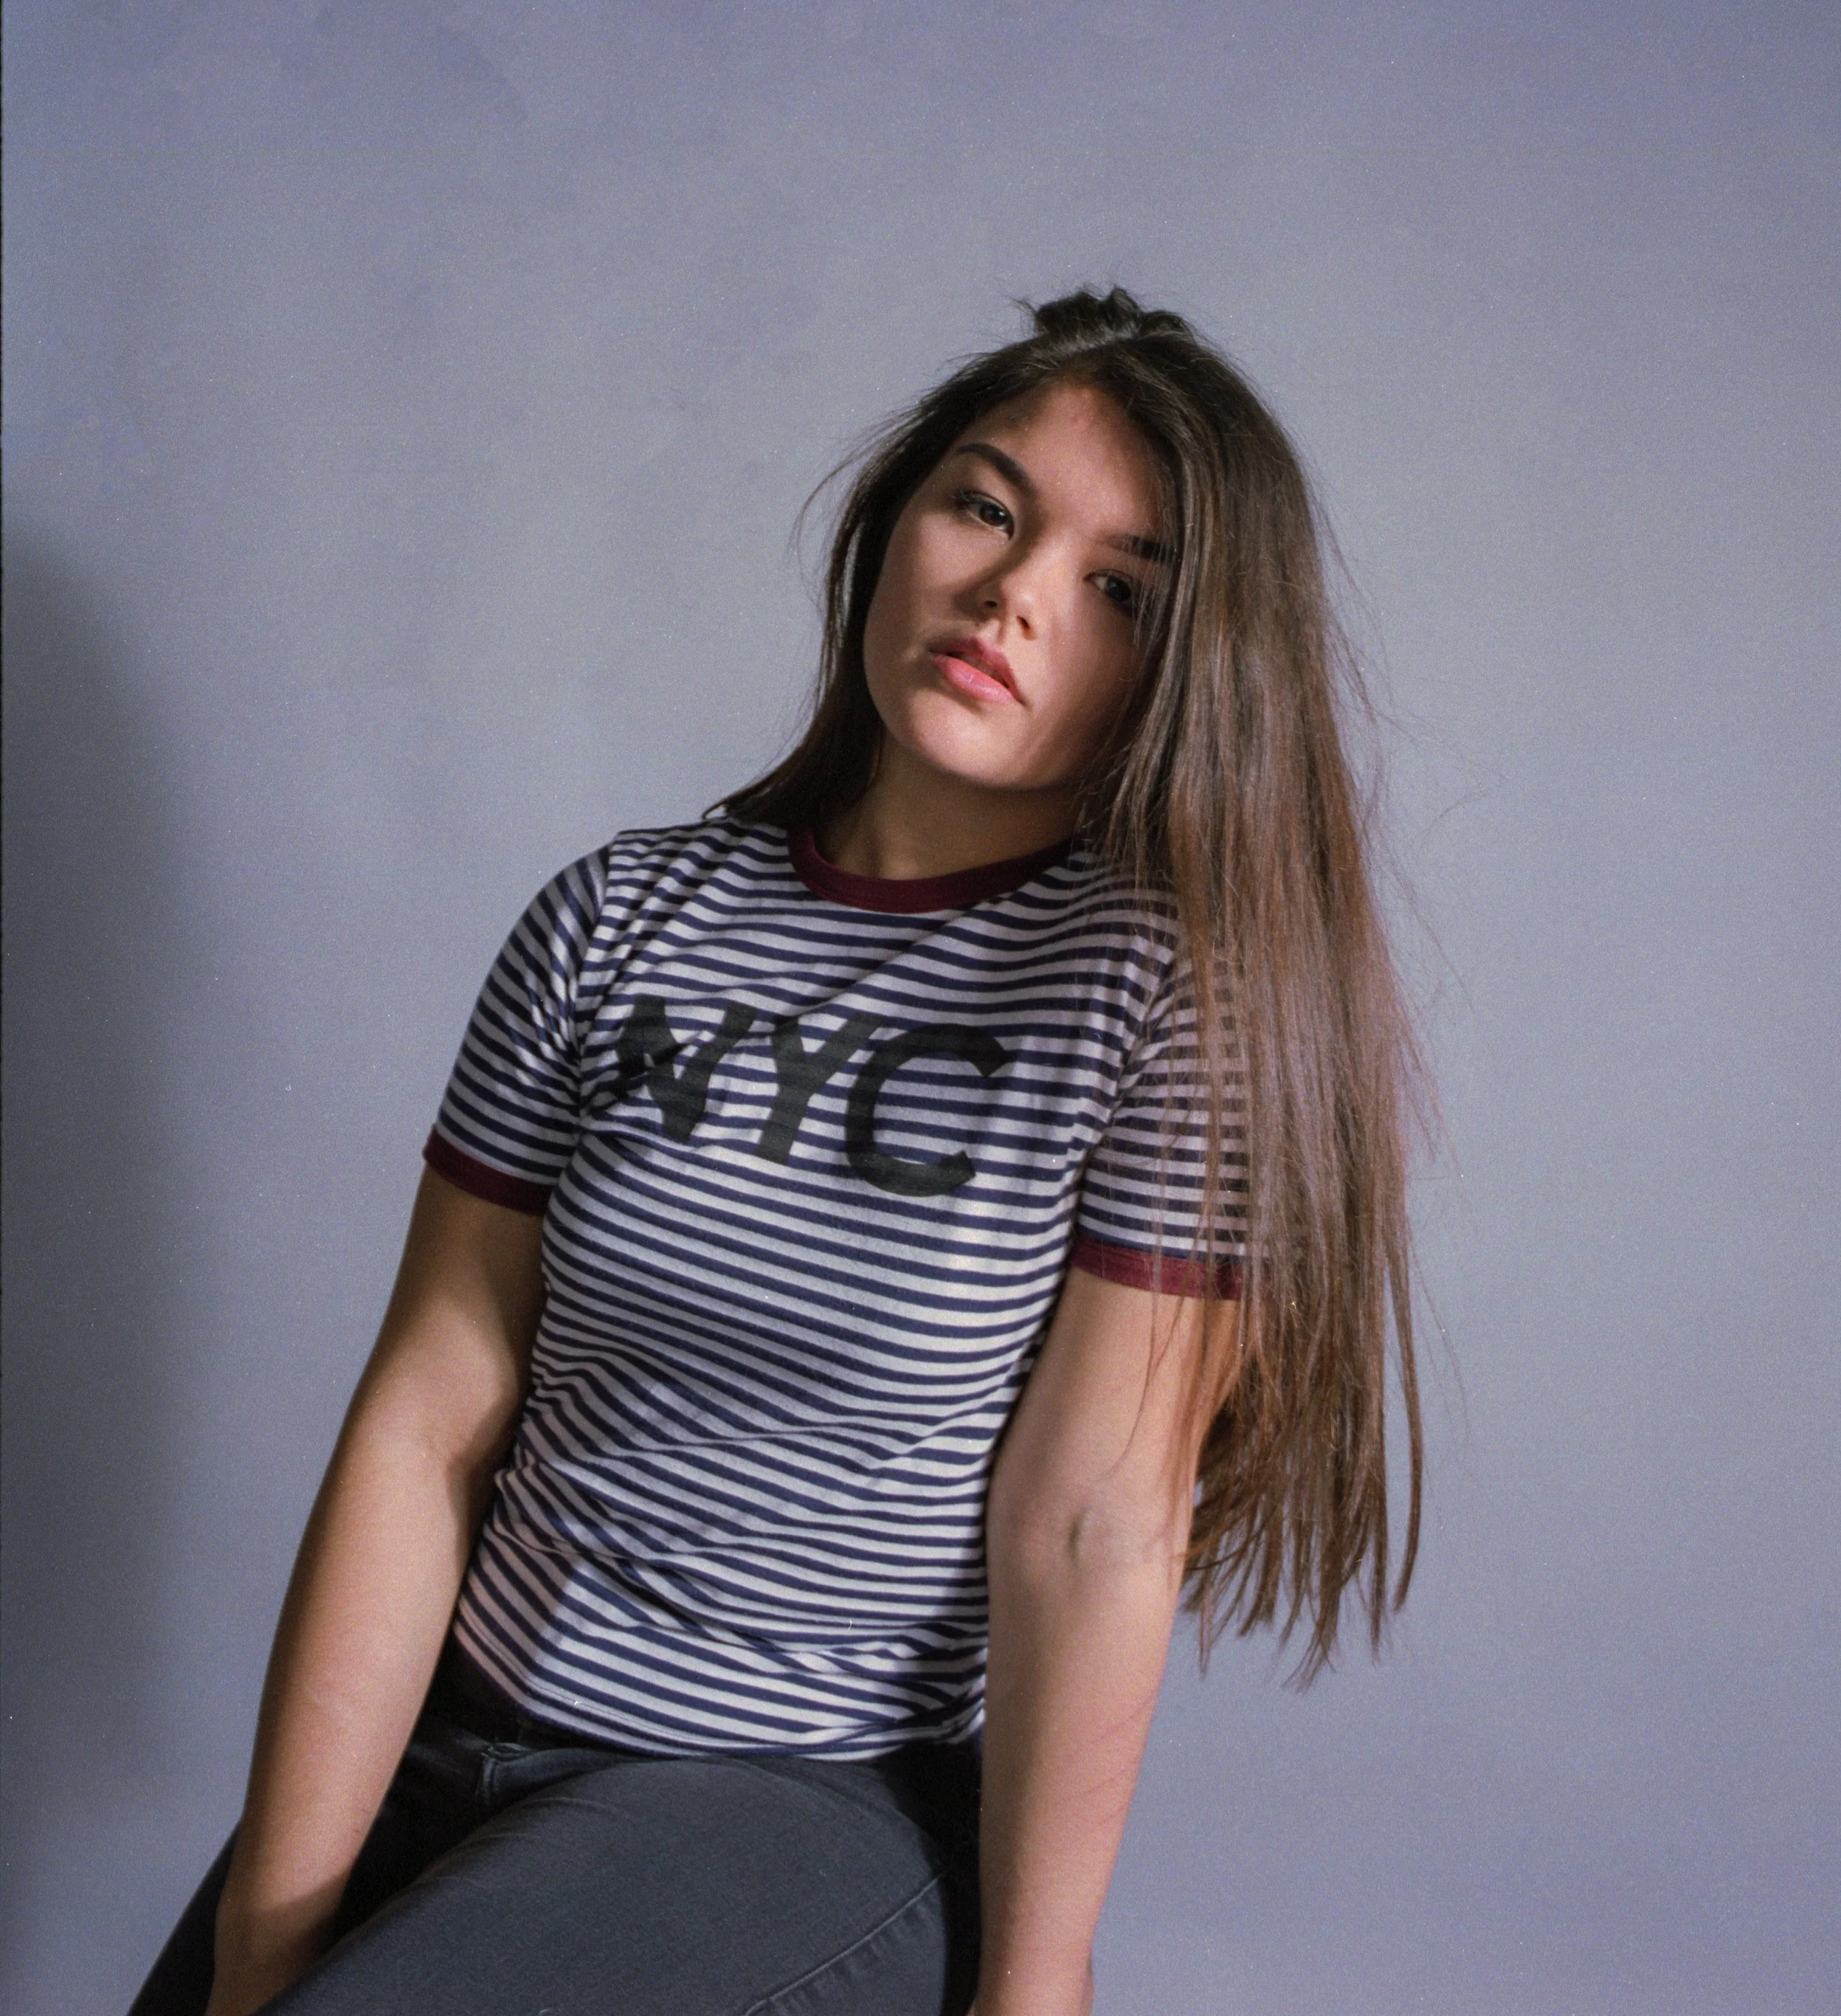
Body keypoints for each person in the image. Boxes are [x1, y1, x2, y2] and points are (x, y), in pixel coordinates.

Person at [129, 286, 1423, 2016]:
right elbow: (428, 1412)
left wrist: (1033, 1990)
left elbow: (1095, 1523)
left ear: (1188, 664)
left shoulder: (1163, 1000)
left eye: (1121, 589)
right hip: (461, 1723)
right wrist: (264, 1942)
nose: (1014, 595)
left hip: (795, 1804)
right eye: (984, 505)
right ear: (894, 520)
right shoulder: (617, 916)